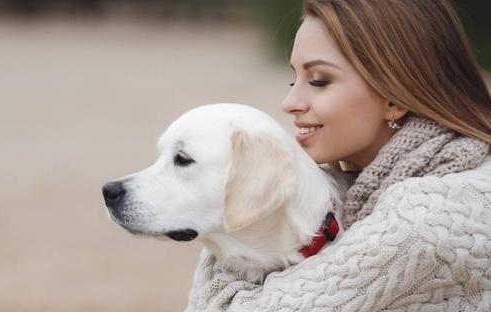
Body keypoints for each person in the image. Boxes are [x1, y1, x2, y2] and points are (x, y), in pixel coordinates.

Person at [185, 0, 491, 311]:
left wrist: (233, 219)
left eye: (319, 80)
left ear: (394, 98)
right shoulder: (367, 191)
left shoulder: (429, 216)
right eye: (294, 79)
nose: (290, 102)